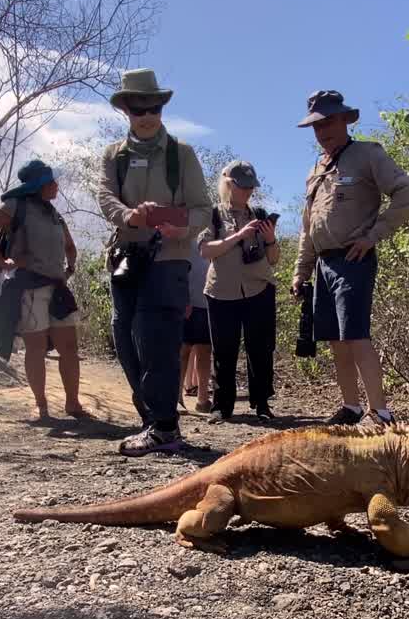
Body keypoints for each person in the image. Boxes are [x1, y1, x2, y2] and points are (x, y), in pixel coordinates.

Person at [96, 68, 211, 456]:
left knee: (157, 340)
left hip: (168, 259)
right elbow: (105, 196)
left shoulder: (183, 154)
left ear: (162, 108)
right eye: (138, 108)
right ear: (125, 109)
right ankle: (153, 418)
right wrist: (129, 216)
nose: (146, 115)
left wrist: (182, 228)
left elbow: (202, 209)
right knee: (125, 339)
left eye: (153, 108)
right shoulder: (114, 155)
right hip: (126, 259)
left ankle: (164, 426)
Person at [290, 90, 409, 426]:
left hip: (354, 259)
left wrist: (372, 235)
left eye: (328, 122)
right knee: (336, 340)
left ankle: (381, 413)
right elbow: (308, 227)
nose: (322, 131)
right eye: (317, 125)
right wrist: (301, 272)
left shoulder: (367, 154)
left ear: (345, 120)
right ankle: (351, 407)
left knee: (356, 335)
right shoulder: (315, 169)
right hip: (323, 265)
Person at [0, 159, 88, 422]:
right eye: (51, 182)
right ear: (40, 185)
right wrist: (4, 262)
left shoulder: (54, 214)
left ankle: (73, 404)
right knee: (36, 348)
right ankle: (41, 405)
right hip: (29, 287)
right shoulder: (17, 205)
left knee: (69, 347)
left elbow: (70, 246)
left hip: (58, 288)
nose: (56, 185)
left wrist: (69, 268)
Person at [199, 160, 280, 422]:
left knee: (261, 349)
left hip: (259, 288)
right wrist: (237, 236)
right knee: (224, 350)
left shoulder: (259, 213)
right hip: (221, 291)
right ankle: (222, 407)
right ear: (228, 184)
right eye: (242, 186)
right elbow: (205, 250)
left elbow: (273, 259)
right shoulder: (213, 214)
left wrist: (270, 239)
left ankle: (262, 404)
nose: (247, 191)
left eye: (250, 187)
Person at [179, 237, 213, 414]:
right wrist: (183, 297)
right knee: (183, 350)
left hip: (208, 300)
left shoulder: (214, 232)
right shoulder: (186, 235)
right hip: (187, 302)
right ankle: (177, 398)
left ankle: (203, 399)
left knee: (205, 350)